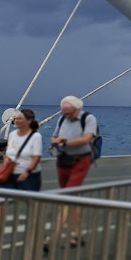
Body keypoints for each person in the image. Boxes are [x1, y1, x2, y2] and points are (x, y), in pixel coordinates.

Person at [0, 108, 42, 250]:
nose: (16, 121)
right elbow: (9, 156)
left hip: (29, 176)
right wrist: (1, 171)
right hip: (11, 174)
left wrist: (27, 172)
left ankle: (39, 238)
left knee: (32, 207)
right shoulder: (12, 135)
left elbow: (36, 157)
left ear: (28, 121)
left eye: (20, 119)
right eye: (16, 119)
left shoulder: (35, 137)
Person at [47, 95, 97, 247]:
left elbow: (86, 139)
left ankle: (53, 237)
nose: (66, 115)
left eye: (69, 113)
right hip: (63, 159)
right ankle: (76, 233)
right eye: (64, 112)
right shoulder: (62, 119)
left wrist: (65, 142)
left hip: (80, 160)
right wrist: (57, 141)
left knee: (67, 196)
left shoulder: (88, 119)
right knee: (71, 196)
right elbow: (53, 137)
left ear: (77, 109)